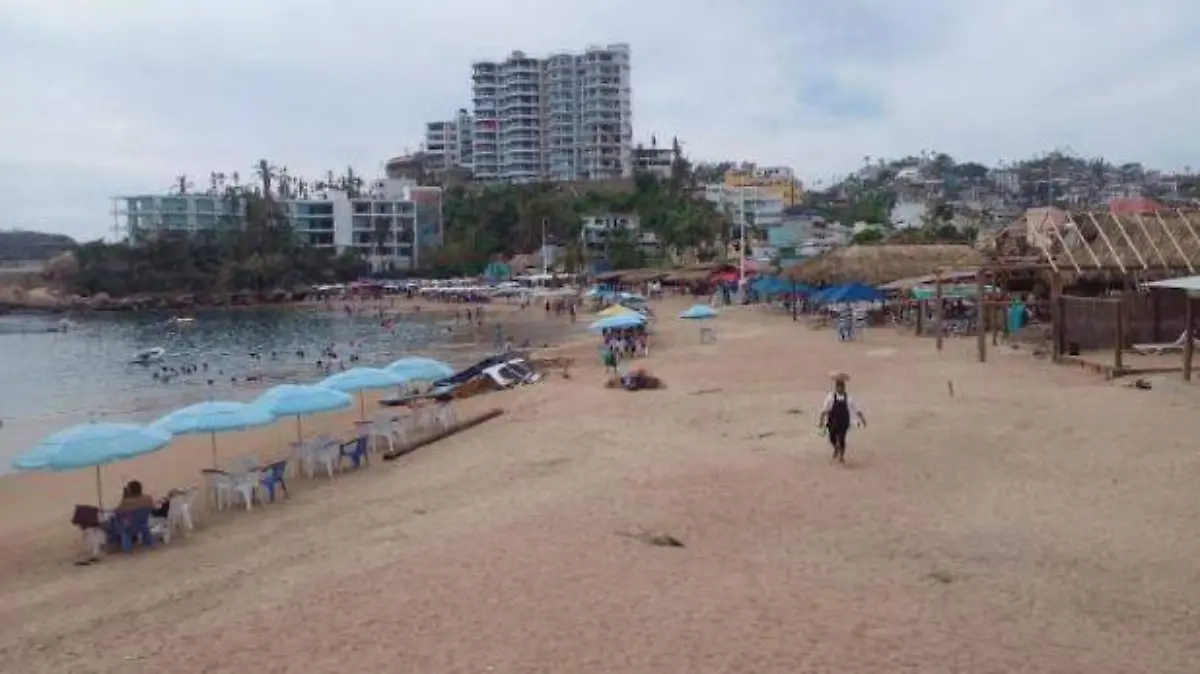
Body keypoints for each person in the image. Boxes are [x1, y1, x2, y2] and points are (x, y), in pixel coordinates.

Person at [818, 375, 866, 464]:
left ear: (844, 388)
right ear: (836, 388)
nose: (840, 389)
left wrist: (862, 419)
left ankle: (841, 456)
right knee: (832, 437)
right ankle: (836, 447)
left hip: (843, 421)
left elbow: (856, 409)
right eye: (839, 387)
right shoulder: (831, 397)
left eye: (842, 387)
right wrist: (821, 420)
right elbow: (824, 409)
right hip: (832, 421)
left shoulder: (849, 398)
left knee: (841, 438)